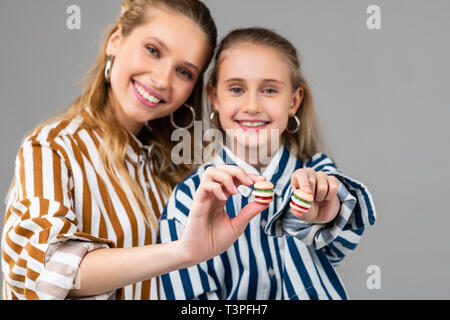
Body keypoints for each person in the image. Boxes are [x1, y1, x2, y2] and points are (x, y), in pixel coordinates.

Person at [1, 1, 269, 300]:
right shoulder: (54, 147)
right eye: (153, 50)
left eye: (183, 71)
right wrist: (181, 252)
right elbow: (41, 273)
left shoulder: (174, 173)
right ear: (115, 39)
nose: (161, 79)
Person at [158, 27, 377, 300]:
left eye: (269, 90)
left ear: (294, 101)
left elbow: (341, 226)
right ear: (214, 97)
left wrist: (322, 210)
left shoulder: (318, 173)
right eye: (236, 89)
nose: (252, 106)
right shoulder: (188, 200)